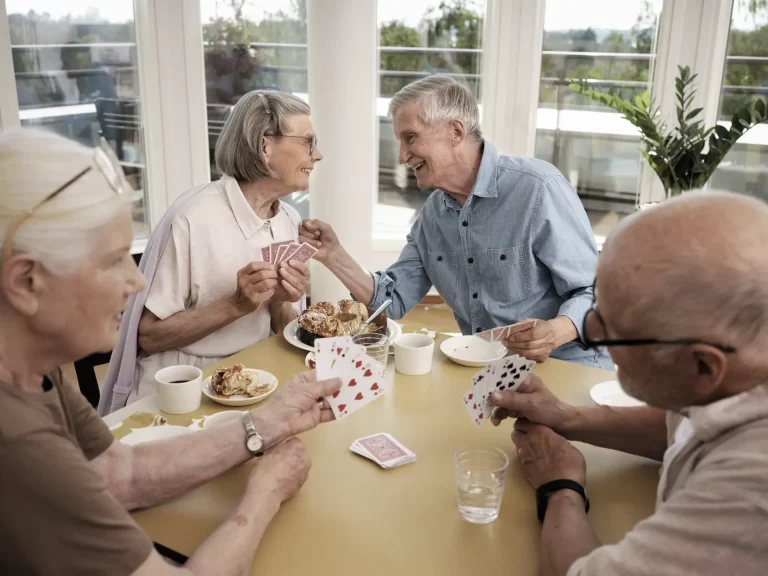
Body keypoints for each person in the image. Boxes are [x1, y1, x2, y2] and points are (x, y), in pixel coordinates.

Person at [0, 128, 342, 575]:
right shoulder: (17, 439)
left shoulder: (32, 375)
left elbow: (117, 473)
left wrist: (264, 423)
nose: (137, 282)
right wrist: (265, 494)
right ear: (26, 282)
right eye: (113, 261)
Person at [490, 191, 768, 575]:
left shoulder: (750, 490)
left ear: (703, 365)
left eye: (610, 332)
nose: (592, 336)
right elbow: (681, 427)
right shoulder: (744, 364)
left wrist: (560, 485)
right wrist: (565, 416)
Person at [300, 76, 612, 369]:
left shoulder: (537, 188)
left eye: (410, 138)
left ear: (456, 132)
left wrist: (556, 331)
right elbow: (392, 301)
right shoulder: (433, 215)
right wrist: (334, 255)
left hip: (567, 365)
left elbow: (598, 291)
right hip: (491, 372)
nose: (402, 157)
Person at [100, 90, 322, 413]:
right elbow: (149, 335)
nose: (318, 155)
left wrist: (283, 298)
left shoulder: (288, 219)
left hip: (255, 380)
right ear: (265, 146)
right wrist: (235, 304)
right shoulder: (191, 219)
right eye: (308, 142)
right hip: (183, 392)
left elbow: (280, 324)